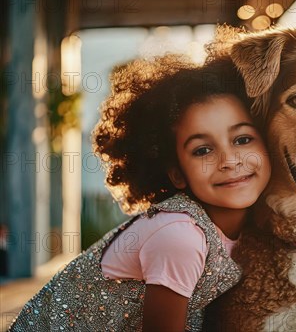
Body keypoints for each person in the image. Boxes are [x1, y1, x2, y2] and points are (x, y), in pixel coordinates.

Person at [9, 53, 271, 331]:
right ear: (178, 174)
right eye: (202, 150)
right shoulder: (180, 236)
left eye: (242, 139)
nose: (229, 160)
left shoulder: (256, 229)